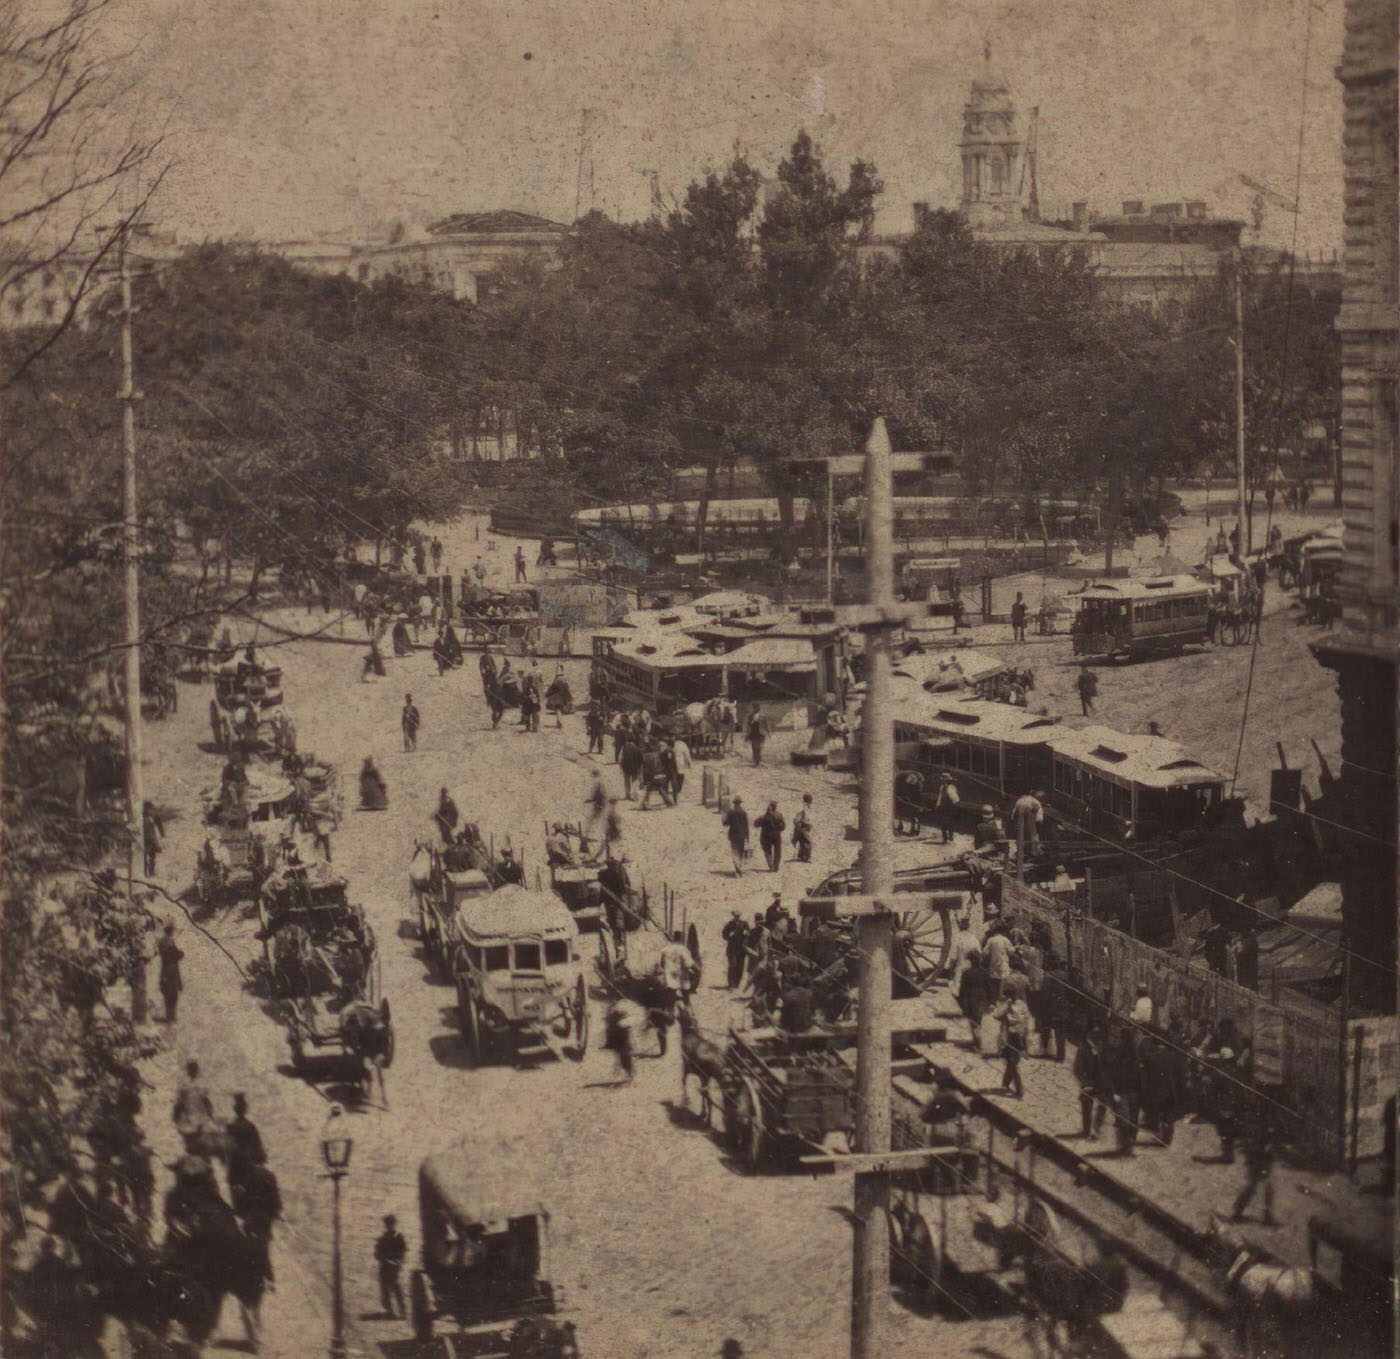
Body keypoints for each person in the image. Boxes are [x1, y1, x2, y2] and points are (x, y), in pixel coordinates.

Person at [233, 1151, 281, 1286]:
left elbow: (241, 1198)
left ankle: (260, 1278)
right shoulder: (269, 1176)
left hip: (251, 1217)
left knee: (253, 1246)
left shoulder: (247, 1176)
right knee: (262, 1246)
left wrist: (239, 1213)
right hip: (265, 1219)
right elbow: (275, 1199)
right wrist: (275, 1213)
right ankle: (268, 1279)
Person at [1230, 1107, 1278, 1224]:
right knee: (1254, 1186)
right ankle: (1237, 1213)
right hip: (1256, 1158)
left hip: (1264, 1156)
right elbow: (1246, 1141)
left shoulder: (1266, 1119)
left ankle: (1267, 1216)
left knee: (1267, 1187)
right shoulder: (1254, 1121)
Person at [1073, 1029, 1111, 1140]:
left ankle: (1096, 1130)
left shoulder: (1105, 1048)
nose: (1096, 1040)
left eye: (1098, 1037)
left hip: (1102, 1084)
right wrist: (1085, 1084)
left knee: (1102, 1106)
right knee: (1086, 1105)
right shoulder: (1083, 1049)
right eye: (1092, 1037)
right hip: (1089, 1083)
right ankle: (1086, 1130)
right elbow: (1077, 1069)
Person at [172, 1061, 216, 1153]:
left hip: (191, 1120)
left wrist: (175, 1117)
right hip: (198, 1119)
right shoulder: (198, 1086)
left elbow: (179, 1105)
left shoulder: (184, 1086)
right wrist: (211, 1114)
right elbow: (207, 1103)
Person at [225, 1093, 265, 1191]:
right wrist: (261, 1159)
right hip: (248, 1164)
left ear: (235, 1109)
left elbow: (227, 1148)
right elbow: (257, 1146)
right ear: (245, 1109)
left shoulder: (230, 1127)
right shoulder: (250, 1126)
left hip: (234, 1167)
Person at [998, 991, 1031, 1098]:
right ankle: (1005, 1085)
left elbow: (997, 1015)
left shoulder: (1011, 1005)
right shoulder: (1023, 1004)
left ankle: (1019, 1090)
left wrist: (1006, 1008)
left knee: (1012, 1063)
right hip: (1019, 1037)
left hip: (1013, 1037)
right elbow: (1027, 1019)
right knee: (1010, 1061)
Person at [374, 1214, 407, 1319]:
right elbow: (377, 1253)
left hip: (394, 1266)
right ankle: (390, 1311)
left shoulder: (398, 1237)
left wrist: (398, 1261)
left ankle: (402, 1311)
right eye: (387, 1224)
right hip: (384, 1266)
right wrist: (382, 1258)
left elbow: (403, 1251)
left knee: (396, 1288)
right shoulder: (382, 1238)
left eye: (391, 1224)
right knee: (385, 1289)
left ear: (394, 1224)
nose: (389, 1226)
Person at [158, 923, 184, 1023]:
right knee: (169, 994)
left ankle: (172, 1016)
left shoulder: (170, 941)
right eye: (171, 931)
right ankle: (170, 1017)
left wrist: (177, 952)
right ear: (168, 931)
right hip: (168, 971)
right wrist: (176, 952)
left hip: (172, 971)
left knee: (174, 994)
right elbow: (173, 955)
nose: (173, 932)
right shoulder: (164, 942)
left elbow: (179, 954)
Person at [723, 796, 750, 876]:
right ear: (740, 803)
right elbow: (746, 825)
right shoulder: (744, 812)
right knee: (740, 852)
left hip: (733, 835)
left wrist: (723, 818)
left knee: (735, 851)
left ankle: (738, 869)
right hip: (742, 835)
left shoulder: (731, 812)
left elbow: (726, 823)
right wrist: (747, 837)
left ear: (734, 803)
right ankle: (739, 869)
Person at [1010, 790, 1043, 855]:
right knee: (1033, 838)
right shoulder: (1036, 803)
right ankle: (1034, 853)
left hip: (1018, 822)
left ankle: (1019, 853)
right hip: (1028, 822)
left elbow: (1013, 815)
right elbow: (1039, 820)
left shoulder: (1020, 800)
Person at [722, 909, 749, 989]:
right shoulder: (729, 924)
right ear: (733, 916)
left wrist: (746, 933)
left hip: (741, 949)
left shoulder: (744, 924)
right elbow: (724, 934)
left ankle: (737, 984)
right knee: (732, 966)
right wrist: (729, 935)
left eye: (738, 916)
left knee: (740, 967)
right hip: (732, 949)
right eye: (735, 916)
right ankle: (731, 984)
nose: (737, 917)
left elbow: (749, 933)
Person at [756, 801, 785, 871]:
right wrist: (778, 829)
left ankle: (771, 865)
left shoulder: (764, 816)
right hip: (776, 835)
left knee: (767, 850)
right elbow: (783, 826)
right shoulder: (779, 815)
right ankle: (776, 866)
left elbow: (756, 824)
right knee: (778, 851)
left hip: (766, 836)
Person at [142, 800, 164, 877]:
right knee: (145, 857)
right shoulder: (143, 818)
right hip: (145, 839)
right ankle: (146, 872)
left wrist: (160, 835)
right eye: (147, 808)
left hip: (149, 839)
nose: (148, 810)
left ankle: (150, 872)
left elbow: (157, 826)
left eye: (149, 808)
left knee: (151, 856)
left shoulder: (150, 817)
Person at [619, 732, 643, 801]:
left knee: (626, 782)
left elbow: (621, 757)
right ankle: (636, 797)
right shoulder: (637, 748)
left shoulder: (624, 747)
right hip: (634, 768)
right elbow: (641, 759)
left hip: (626, 767)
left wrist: (621, 766)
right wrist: (639, 768)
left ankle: (627, 795)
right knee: (634, 782)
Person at [668, 734, 691, 800]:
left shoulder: (674, 744)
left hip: (673, 761)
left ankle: (676, 788)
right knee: (681, 775)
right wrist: (689, 762)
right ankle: (679, 788)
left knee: (675, 775)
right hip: (680, 761)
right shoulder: (683, 744)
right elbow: (686, 754)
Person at [792, 793, 814, 862]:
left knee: (802, 841)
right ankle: (806, 857)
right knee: (808, 842)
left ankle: (801, 856)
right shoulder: (803, 807)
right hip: (802, 827)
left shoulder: (805, 806)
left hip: (803, 826)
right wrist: (801, 825)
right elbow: (797, 819)